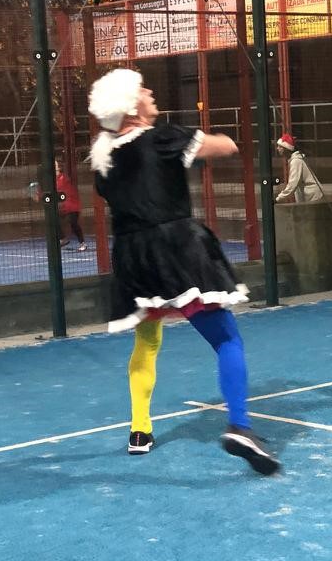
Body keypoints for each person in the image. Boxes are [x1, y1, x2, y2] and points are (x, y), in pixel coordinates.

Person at [88, 67, 279, 475]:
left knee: (147, 341)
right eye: (142, 89)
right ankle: (240, 427)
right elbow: (226, 146)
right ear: (130, 107)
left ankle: (140, 429)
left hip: (133, 257)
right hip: (176, 250)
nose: (150, 91)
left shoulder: (104, 161)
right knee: (227, 339)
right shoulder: (162, 138)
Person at [275, 133, 322, 203]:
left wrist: (278, 199)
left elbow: (292, 185)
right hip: (310, 195)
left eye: (280, 146)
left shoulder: (296, 161)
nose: (277, 148)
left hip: (312, 196)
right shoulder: (295, 160)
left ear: (286, 149)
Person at [55, 159, 87, 252]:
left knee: (73, 223)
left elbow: (61, 191)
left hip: (72, 205)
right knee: (54, 220)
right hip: (64, 207)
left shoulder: (63, 178)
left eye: (55, 165)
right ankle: (62, 239)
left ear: (59, 168)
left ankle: (82, 243)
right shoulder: (54, 180)